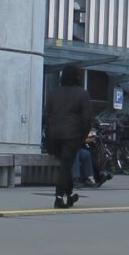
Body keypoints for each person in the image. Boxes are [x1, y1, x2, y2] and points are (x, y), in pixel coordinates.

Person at [44, 71, 96, 209]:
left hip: (54, 135)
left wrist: (48, 135)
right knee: (66, 165)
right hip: (72, 135)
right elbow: (87, 118)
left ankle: (70, 195)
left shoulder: (53, 93)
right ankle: (59, 197)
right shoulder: (82, 93)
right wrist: (83, 137)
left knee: (65, 165)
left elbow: (47, 116)